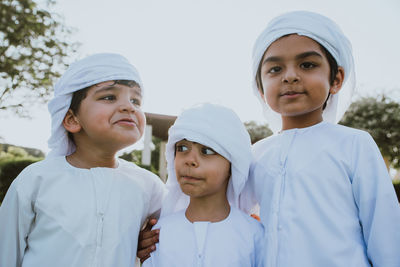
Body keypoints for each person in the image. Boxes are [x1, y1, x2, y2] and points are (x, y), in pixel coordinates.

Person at [244, 10, 400, 267]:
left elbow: (384, 231)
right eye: (274, 69)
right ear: (260, 88)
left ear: (336, 79)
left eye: (307, 65)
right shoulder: (254, 154)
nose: (290, 76)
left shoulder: (354, 144)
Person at [0, 53, 166, 267]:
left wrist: (150, 240)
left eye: (136, 100)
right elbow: (5, 253)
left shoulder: (149, 186)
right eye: (109, 97)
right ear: (71, 119)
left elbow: (175, 232)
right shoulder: (36, 179)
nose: (129, 107)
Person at [142, 103, 264, 267]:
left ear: (232, 165)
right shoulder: (159, 233)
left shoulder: (254, 234)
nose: (189, 160)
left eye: (206, 151)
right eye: (182, 148)